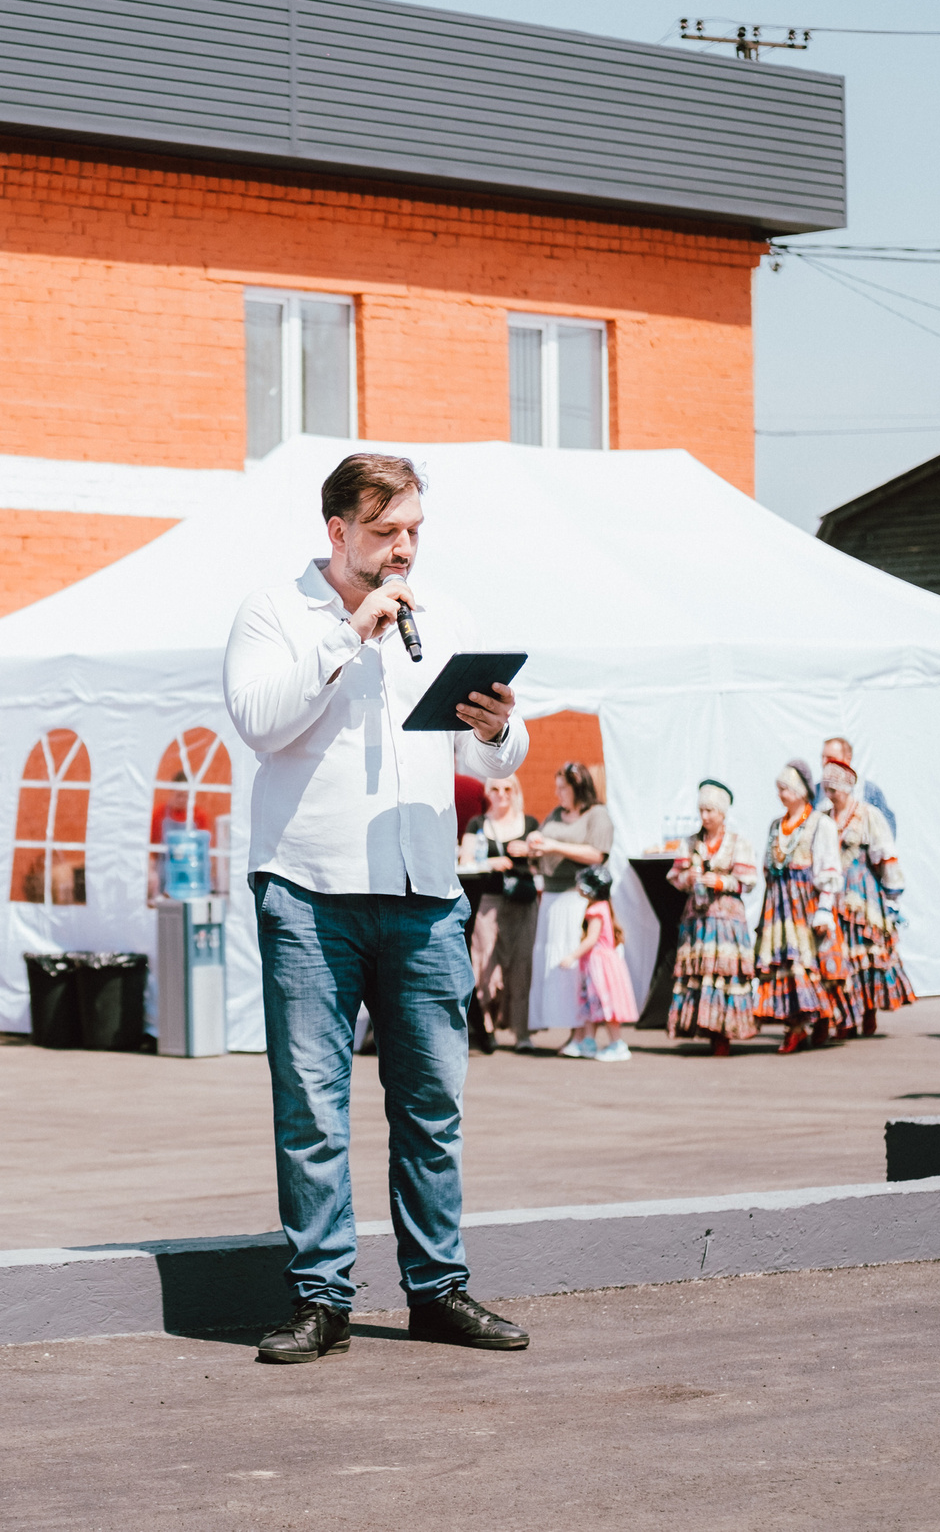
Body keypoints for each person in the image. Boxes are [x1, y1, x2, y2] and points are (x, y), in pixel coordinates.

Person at [222, 451, 531, 1362]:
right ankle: (322, 1298)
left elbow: (500, 763)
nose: (404, 549)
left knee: (433, 1106)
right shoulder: (276, 612)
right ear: (338, 531)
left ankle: (439, 1290)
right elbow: (261, 720)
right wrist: (348, 632)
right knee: (313, 1108)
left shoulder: (444, 616)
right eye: (387, 531)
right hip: (309, 893)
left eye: (414, 533)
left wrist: (497, 728)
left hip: (426, 894)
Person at [753, 760, 845, 1055]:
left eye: (786, 788)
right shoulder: (775, 826)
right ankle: (794, 1025)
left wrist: (824, 908)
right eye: (779, 789)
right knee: (786, 967)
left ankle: (817, 1020)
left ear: (800, 791)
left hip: (805, 906)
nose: (781, 794)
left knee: (811, 965)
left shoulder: (821, 824)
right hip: (778, 908)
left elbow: (829, 868)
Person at [667, 779, 759, 1056]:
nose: (705, 816)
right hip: (698, 920)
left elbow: (749, 880)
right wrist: (688, 877)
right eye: (702, 810)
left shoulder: (737, 843)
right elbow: (674, 876)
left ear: (723, 812)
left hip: (726, 921)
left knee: (723, 974)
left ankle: (724, 1032)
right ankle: (703, 1026)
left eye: (711, 811)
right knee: (700, 973)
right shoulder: (691, 842)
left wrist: (721, 882)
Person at [824, 752, 914, 1037]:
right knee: (840, 953)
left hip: (862, 889)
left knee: (864, 950)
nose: (830, 795)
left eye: (835, 789)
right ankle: (845, 1015)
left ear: (847, 788)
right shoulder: (824, 818)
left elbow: (885, 852)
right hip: (834, 890)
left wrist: (891, 894)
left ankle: (869, 1010)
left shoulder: (866, 815)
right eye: (827, 789)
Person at [522, 763, 611, 1050]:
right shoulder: (556, 815)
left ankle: (581, 1034)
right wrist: (534, 843)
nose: (558, 793)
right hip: (550, 895)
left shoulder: (597, 815)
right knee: (554, 964)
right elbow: (545, 839)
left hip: (577, 897)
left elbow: (596, 853)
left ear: (578, 787)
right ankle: (570, 1029)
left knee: (575, 963)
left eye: (563, 788)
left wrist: (553, 846)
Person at [458, 775, 539, 1052]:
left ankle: (522, 1033)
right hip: (488, 901)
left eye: (508, 788)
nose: (502, 794)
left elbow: (544, 859)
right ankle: (487, 1029)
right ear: (487, 793)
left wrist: (530, 849)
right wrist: (492, 862)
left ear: (515, 791)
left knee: (521, 966)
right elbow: (465, 860)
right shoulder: (478, 824)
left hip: (522, 901)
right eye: (495, 788)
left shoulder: (529, 824)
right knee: (483, 966)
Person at [561, 865, 636, 1061]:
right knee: (590, 1004)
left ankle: (617, 1044)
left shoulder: (595, 910)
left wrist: (572, 956)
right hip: (596, 965)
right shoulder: (603, 907)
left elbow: (591, 938)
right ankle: (588, 1042)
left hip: (599, 966)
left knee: (605, 1005)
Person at [815, 735, 897, 835]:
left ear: (847, 758)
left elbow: (887, 829)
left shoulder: (869, 791)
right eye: (822, 757)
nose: (824, 763)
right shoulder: (815, 791)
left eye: (830, 758)